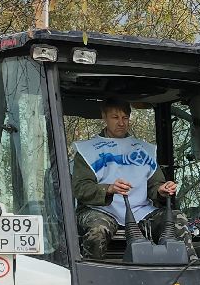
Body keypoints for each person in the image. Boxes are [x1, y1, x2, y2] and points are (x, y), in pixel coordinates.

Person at [71, 100, 177, 258]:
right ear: (104, 117)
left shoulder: (144, 150)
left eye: (125, 118)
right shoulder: (87, 150)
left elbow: (155, 185)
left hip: (141, 210)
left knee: (178, 220)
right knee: (97, 231)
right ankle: (93, 278)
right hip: (101, 210)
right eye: (115, 117)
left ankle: (186, 268)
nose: (121, 123)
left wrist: (162, 190)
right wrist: (109, 189)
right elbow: (80, 188)